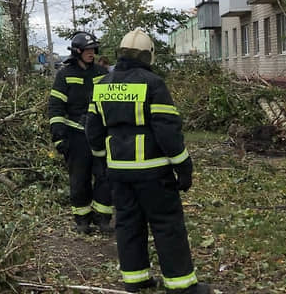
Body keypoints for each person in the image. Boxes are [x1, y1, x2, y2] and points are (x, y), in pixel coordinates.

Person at [86, 30, 211, 294]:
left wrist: (102, 162)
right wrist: (183, 167)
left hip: (118, 172)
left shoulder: (101, 85)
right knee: (167, 225)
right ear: (147, 55)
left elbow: (93, 131)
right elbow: (167, 131)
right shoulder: (152, 83)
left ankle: (136, 279)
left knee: (128, 225)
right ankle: (182, 286)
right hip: (153, 172)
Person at [47, 31, 112, 234]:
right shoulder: (64, 75)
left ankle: (102, 218)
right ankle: (82, 220)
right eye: (88, 50)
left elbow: (110, 105)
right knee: (79, 179)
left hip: (99, 136)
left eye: (94, 50)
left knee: (104, 177)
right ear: (78, 51)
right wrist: (59, 137)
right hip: (76, 137)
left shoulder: (102, 74)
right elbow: (56, 108)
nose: (92, 53)